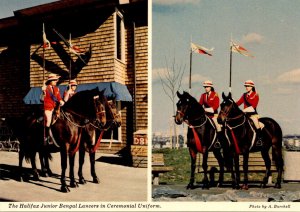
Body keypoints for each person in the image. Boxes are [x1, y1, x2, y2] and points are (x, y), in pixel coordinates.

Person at [236, 80, 262, 145]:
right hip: (245, 115)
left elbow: (253, 107)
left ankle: (259, 139)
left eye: (248, 86)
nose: (247, 87)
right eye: (246, 86)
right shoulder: (244, 95)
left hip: (253, 115)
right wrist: (232, 104)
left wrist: (243, 110)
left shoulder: (255, 94)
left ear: (252, 87)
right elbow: (239, 102)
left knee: (256, 124)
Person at [41, 73, 64, 143]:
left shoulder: (57, 89)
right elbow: (41, 99)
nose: (56, 81)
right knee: (48, 121)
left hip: (56, 108)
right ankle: (46, 137)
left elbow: (59, 98)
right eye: (54, 80)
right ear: (50, 81)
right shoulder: (46, 88)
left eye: (56, 80)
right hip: (48, 108)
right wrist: (43, 92)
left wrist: (61, 101)